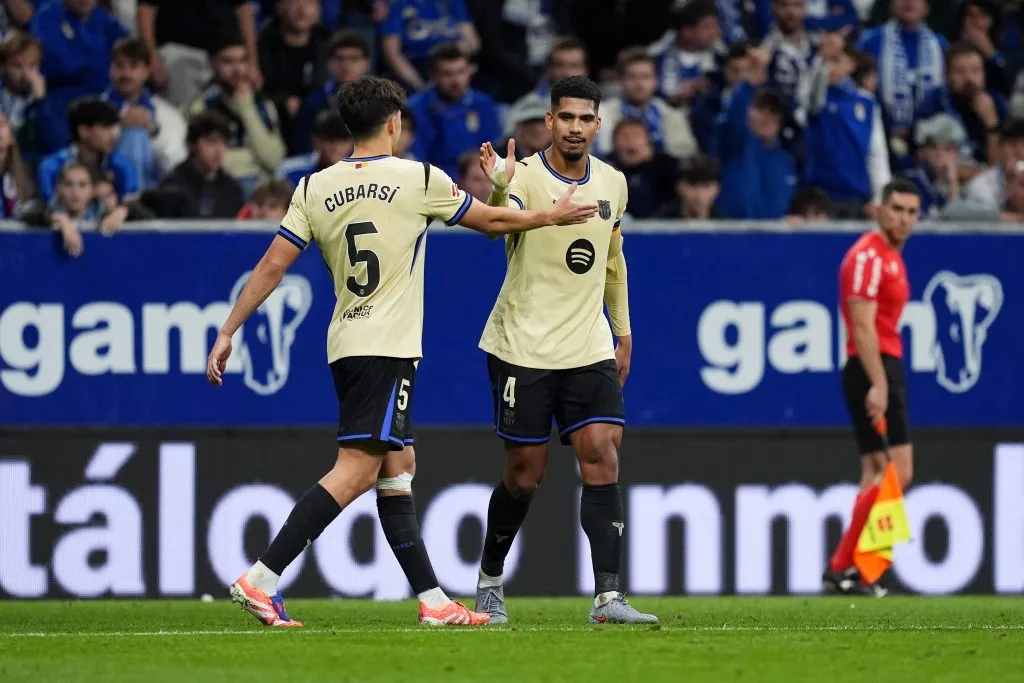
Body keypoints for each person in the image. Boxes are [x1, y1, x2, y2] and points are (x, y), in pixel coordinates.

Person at [206, 74, 598, 628]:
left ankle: (433, 601)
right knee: (357, 470)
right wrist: (547, 214)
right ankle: (260, 578)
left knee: (397, 467)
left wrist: (229, 329)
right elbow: (491, 224)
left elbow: (273, 263)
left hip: (345, 343)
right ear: (394, 123)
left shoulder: (315, 187)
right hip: (387, 347)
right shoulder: (417, 178)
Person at [473, 75, 658, 625]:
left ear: (598, 125)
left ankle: (607, 598)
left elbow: (612, 259)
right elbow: (495, 228)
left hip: (588, 344)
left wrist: (621, 330)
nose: (575, 127)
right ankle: (489, 580)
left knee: (602, 451)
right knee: (525, 473)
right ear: (549, 122)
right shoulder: (523, 177)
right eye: (566, 117)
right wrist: (500, 190)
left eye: (585, 118)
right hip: (522, 344)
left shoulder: (613, 184)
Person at [823, 178, 921, 598]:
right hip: (872, 366)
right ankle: (850, 568)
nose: (904, 218)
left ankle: (854, 572)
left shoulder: (890, 258)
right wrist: (879, 383)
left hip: (878, 364)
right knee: (897, 471)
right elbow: (861, 325)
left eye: (912, 212)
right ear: (879, 210)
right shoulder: (868, 257)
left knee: (874, 472)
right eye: (897, 208)